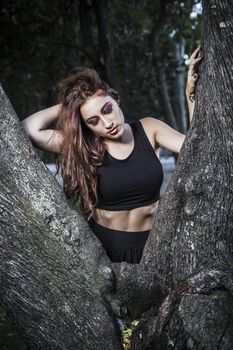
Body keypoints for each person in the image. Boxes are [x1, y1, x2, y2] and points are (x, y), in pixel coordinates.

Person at [22, 47, 203, 264]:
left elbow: (196, 149)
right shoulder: (84, 145)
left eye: (107, 109)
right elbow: (28, 130)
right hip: (105, 251)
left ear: (115, 98)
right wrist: (70, 107)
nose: (107, 124)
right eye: (94, 121)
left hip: (156, 246)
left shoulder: (149, 128)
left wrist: (190, 96)